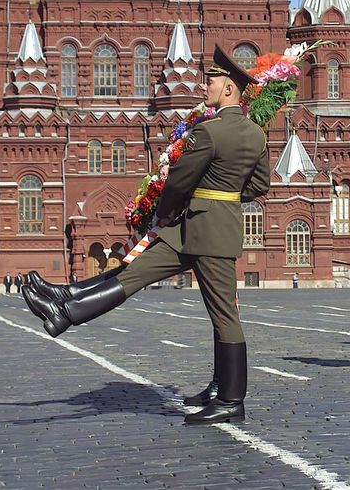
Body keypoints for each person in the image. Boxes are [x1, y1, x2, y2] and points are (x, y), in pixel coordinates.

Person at [21, 45, 271, 425]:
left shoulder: (209, 133)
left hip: (201, 230)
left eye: (213, 80)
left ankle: (231, 399)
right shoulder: (256, 135)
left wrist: (165, 214)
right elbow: (258, 185)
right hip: (204, 228)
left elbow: (177, 183)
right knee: (133, 273)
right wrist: (222, 196)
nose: (207, 85)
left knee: (224, 314)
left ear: (230, 89)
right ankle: (64, 305)